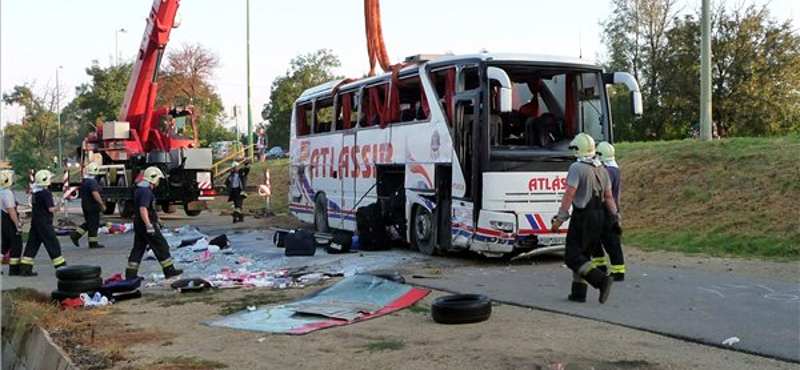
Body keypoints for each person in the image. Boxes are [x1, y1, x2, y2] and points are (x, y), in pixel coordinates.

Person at [551, 133, 620, 303]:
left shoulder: (577, 168)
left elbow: (570, 194)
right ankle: (578, 293)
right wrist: (616, 218)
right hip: (600, 216)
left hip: (583, 217)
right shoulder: (602, 169)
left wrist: (560, 219)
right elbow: (609, 197)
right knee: (584, 256)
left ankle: (601, 281)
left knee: (572, 257)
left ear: (577, 149)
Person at [125, 167, 183, 280]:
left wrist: (157, 219)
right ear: (153, 178)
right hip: (146, 225)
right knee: (161, 245)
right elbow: (143, 209)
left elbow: (147, 209)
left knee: (138, 248)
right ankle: (169, 270)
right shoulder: (146, 192)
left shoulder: (140, 189)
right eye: (158, 179)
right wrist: (149, 225)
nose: (158, 182)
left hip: (138, 223)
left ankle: (131, 274)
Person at [19, 170, 66, 276]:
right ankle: (62, 268)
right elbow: (50, 209)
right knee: (53, 243)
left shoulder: (35, 193)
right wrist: (58, 207)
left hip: (36, 222)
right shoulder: (46, 193)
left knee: (32, 244)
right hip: (45, 223)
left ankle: (25, 269)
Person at [591, 141, 625, 281]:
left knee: (610, 241)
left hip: (606, 210)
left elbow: (602, 191)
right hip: (605, 209)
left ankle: (617, 271)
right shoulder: (613, 169)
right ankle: (600, 266)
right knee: (596, 239)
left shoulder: (608, 171)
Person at [70, 162, 107, 249]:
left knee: (89, 223)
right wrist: (101, 204)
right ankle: (93, 243)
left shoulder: (85, 181)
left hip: (85, 205)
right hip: (92, 206)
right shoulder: (93, 182)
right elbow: (95, 193)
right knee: (94, 224)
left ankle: (75, 235)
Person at [1, 170, 24, 275]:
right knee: (16, 244)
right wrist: (17, 224)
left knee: (4, 246)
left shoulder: (2, 192)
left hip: (2, 220)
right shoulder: (7, 193)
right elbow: (11, 210)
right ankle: (14, 270)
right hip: (8, 222)